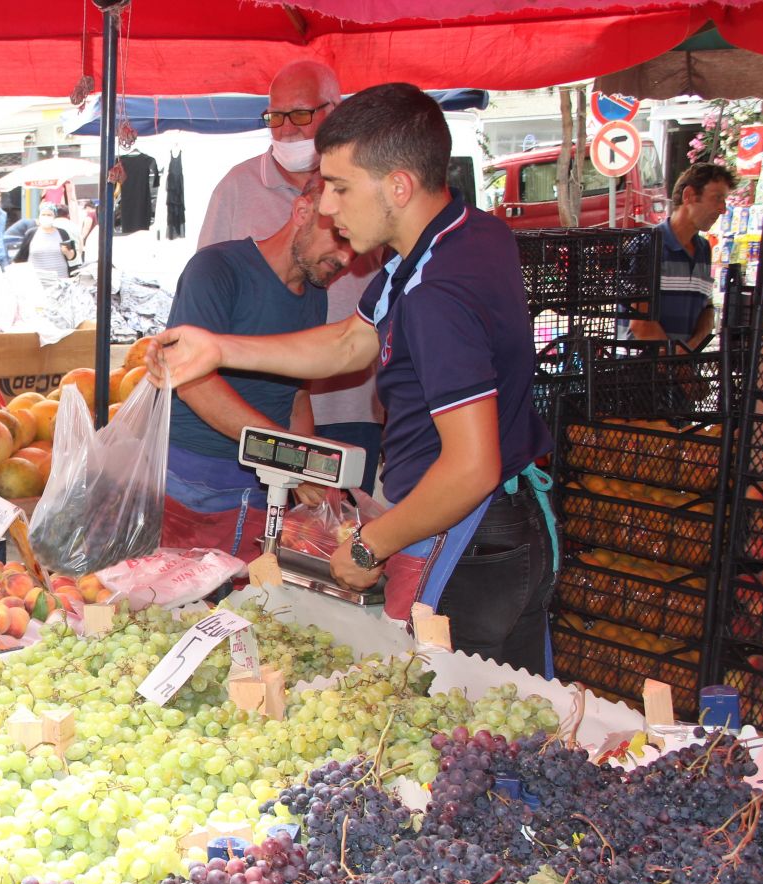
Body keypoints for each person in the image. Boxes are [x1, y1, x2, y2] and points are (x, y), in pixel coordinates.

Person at [152, 84, 556, 674]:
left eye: (341, 188)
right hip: (513, 530)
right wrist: (217, 347)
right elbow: (350, 342)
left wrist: (373, 543)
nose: (328, 208)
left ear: (398, 185)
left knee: (458, 735)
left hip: (468, 540)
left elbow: (471, 468)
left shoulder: (436, 296)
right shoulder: (462, 237)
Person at [198, 60, 385, 491]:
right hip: (262, 412)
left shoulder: (366, 185)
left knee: (337, 536)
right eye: (275, 117)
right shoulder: (236, 187)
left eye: (300, 115)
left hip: (350, 405)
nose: (286, 130)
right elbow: (207, 302)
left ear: (335, 111)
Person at [160, 175, 355, 561]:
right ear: (302, 212)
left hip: (265, 487)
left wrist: (304, 466)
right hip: (192, 483)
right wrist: (290, 456)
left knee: (249, 608)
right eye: (340, 238)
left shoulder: (316, 295)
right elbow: (194, 383)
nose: (347, 259)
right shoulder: (216, 268)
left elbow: (297, 394)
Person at [626, 162, 736, 354]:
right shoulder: (647, 245)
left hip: (678, 374)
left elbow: (707, 309)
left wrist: (690, 351)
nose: (723, 209)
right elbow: (641, 324)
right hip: (641, 374)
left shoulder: (703, 249)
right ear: (689, 196)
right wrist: (678, 364)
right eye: (717, 198)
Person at [14, 204, 76, 284]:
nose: (46, 217)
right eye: (43, 214)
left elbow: (72, 256)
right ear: (39, 216)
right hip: (37, 282)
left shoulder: (62, 233)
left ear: (54, 217)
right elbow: (20, 257)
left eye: (49, 215)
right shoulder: (31, 234)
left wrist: (66, 252)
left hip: (60, 281)